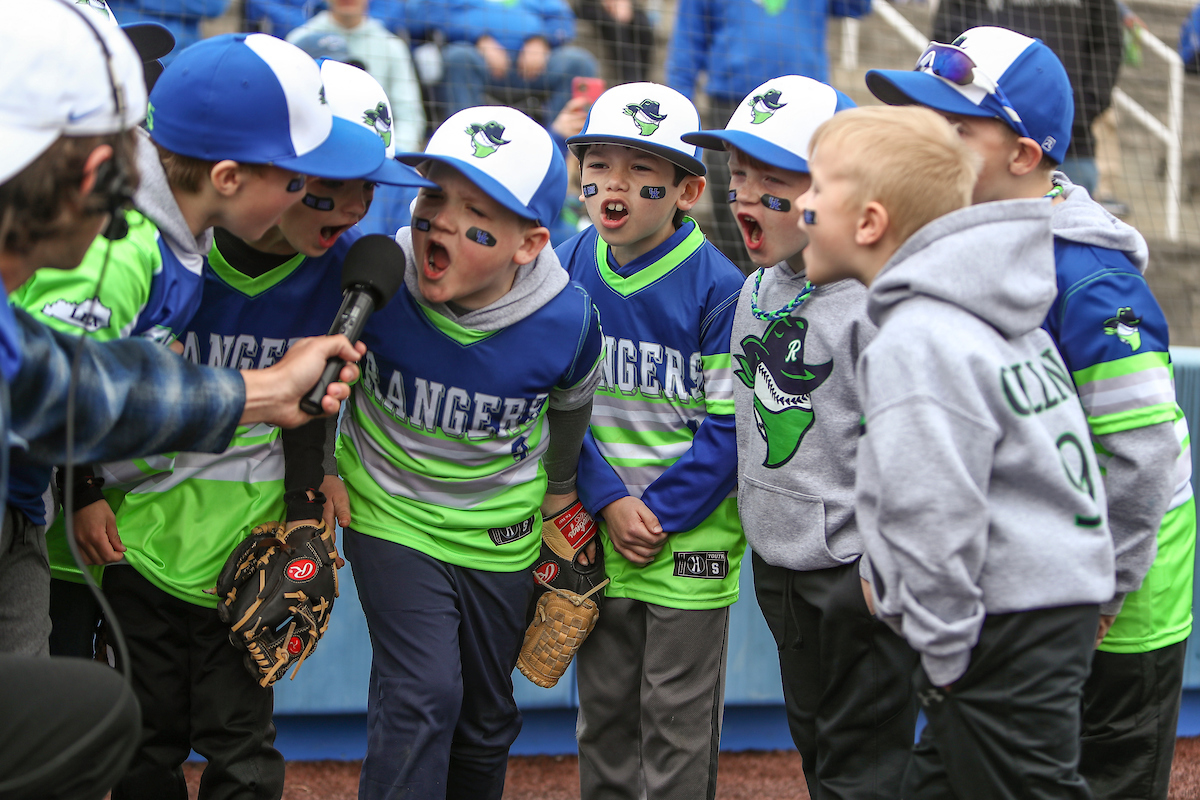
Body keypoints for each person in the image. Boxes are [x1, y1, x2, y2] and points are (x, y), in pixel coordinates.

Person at [0, 3, 363, 796]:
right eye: (295, 179)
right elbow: (50, 397)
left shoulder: (168, 241)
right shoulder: (128, 243)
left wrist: (264, 395)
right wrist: (261, 394)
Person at [74, 61, 434, 800]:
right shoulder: (176, 255)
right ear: (277, 177)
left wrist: (304, 515)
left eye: (368, 189)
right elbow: (93, 381)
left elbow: (311, 410)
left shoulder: (340, 274)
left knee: (242, 744)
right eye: (330, 185)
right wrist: (85, 490)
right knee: (145, 738)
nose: (355, 208)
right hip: (141, 533)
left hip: (245, 543)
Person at [866, 26, 1194, 800]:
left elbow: (1142, 456)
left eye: (952, 129)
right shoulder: (950, 254)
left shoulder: (1090, 279)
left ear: (1024, 154)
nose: (921, 147)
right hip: (1021, 593)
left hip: (1118, 603)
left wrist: (1102, 594)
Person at [801, 103, 1114, 799]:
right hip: (1043, 603)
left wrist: (943, 654)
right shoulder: (997, 318)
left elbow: (930, 509)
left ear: (871, 223)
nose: (802, 204)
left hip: (998, 625)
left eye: (817, 188)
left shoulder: (918, 338)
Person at [336, 105, 604, 799]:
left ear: (529, 243)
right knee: (423, 694)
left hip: (500, 533)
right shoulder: (382, 275)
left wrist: (560, 489)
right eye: (433, 196)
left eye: (475, 210)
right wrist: (324, 469)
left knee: (486, 721)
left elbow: (571, 405)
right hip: (389, 510)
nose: (441, 221)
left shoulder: (568, 320)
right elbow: (322, 367)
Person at [681, 75, 918, 799]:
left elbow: (909, 451)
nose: (744, 192)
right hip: (779, 564)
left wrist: (878, 569)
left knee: (865, 765)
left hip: (857, 575)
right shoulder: (754, 289)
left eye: (773, 177)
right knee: (820, 750)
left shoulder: (878, 302)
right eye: (737, 172)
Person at [554, 82, 744, 800]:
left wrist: (658, 511)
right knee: (602, 716)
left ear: (688, 190)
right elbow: (558, 400)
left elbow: (729, 425)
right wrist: (605, 500)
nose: (615, 186)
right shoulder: (570, 264)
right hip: (600, 531)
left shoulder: (720, 286)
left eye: (643, 173)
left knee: (676, 723)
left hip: (686, 540)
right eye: (598, 165)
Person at [664, 0, 871, 273]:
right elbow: (687, 39)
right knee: (737, 207)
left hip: (807, 111)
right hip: (733, 106)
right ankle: (740, 293)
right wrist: (676, 111)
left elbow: (855, 7)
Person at [931, 0, 1122, 194]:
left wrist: (1080, 112)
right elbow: (949, 37)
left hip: (1071, 145)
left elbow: (1107, 43)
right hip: (978, 133)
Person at [286, 0, 427, 155]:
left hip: (376, 151)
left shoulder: (391, 46)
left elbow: (409, 114)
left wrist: (391, 156)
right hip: (312, 148)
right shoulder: (300, 39)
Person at [430, 0, 599, 124]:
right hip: (476, 61)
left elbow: (562, 19)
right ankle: (464, 140)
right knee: (459, 57)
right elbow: (435, 14)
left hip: (535, 67)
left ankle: (559, 145)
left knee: (578, 61)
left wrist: (541, 39)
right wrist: (478, 37)